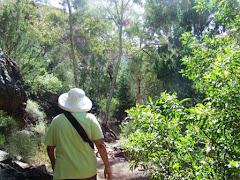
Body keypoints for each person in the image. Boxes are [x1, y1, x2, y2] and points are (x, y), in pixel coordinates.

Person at [45, 88, 111, 180]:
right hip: (87, 172)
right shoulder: (90, 119)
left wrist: (54, 164)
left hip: (63, 172)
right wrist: (107, 166)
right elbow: (100, 145)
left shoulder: (56, 121)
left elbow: (50, 148)